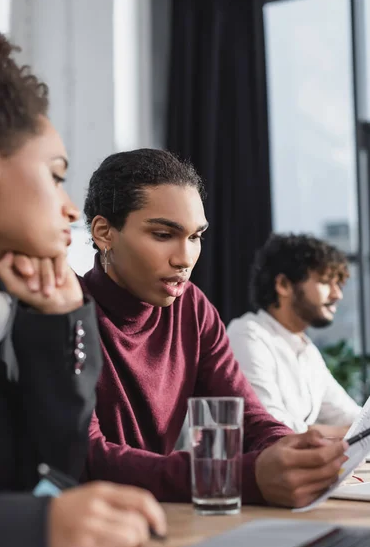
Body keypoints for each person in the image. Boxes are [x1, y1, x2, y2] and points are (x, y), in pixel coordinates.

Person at [81, 148, 348, 510]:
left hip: (161, 515)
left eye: (195, 237)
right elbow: (90, 457)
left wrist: (289, 450)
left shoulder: (192, 307)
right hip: (85, 525)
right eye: (163, 234)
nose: (185, 258)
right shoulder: (67, 311)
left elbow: (249, 417)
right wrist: (242, 476)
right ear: (104, 233)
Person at [0, 33, 165, 547]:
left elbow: (48, 475)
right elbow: (42, 505)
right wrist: (38, 527)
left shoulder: (17, 315)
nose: (69, 208)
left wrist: (60, 318)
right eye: (55, 175)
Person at [227, 233, 362, 436]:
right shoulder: (248, 335)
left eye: (338, 285)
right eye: (325, 282)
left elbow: (352, 417)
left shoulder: (307, 351)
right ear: (283, 285)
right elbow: (270, 427)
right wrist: (343, 432)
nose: (337, 295)